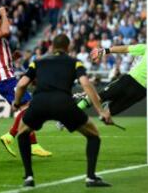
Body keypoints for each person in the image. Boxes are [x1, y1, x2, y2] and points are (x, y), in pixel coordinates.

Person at [13, 34, 113, 187]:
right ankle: (91, 177)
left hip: (40, 102)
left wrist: (17, 102)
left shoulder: (37, 62)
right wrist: (100, 111)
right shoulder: (75, 63)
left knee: (22, 134)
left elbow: (21, 84)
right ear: (68, 47)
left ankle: (28, 177)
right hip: (63, 104)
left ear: (52, 47)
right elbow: (86, 84)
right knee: (93, 135)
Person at [0, 7, 51, 157]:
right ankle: (10, 136)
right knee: (30, 106)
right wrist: (3, 13)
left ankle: (34, 145)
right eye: (3, 18)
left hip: (4, 78)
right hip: (5, 79)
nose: (7, 21)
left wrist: (12, 58)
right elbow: (6, 31)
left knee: (25, 109)